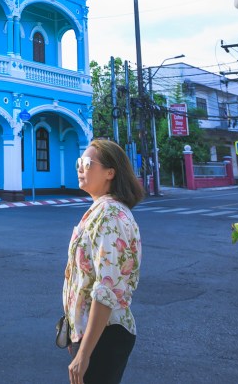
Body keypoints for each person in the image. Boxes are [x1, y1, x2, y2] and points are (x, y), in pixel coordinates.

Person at [63, 139, 143, 384]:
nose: (80, 168)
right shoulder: (101, 210)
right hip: (93, 333)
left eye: (87, 163)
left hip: (104, 335)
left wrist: (85, 352)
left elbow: (106, 289)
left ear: (110, 172)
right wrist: (75, 333)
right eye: (79, 162)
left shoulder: (110, 215)